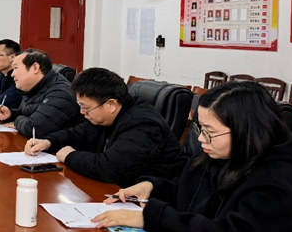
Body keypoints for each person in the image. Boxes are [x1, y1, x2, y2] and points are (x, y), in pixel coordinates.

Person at [95, 82, 292, 232]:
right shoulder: (225, 154)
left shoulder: (282, 181)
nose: (200, 139)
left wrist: (152, 217)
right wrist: (152, 187)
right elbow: (196, 193)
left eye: (210, 132)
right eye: (200, 128)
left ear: (245, 130)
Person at [25, 67, 186, 186]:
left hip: (149, 202)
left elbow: (110, 169)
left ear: (111, 105)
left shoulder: (143, 125)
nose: (82, 112)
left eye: (86, 108)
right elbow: (76, 134)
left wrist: (70, 156)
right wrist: (47, 142)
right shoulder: (105, 117)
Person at [0, 49, 82, 138]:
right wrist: (10, 114)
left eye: (15, 68)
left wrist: (16, 122)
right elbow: (26, 113)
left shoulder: (59, 93)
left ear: (35, 68)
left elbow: (34, 129)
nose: (12, 74)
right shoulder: (34, 88)